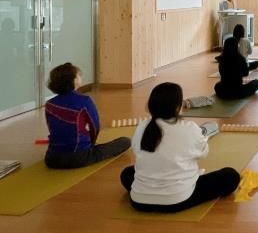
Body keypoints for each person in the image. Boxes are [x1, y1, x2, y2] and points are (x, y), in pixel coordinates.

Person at [120, 83, 240, 212]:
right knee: (230, 176)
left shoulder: (142, 126)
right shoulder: (189, 128)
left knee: (127, 173)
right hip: (176, 200)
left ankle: (149, 193)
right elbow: (203, 153)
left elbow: (138, 152)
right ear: (177, 107)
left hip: (139, 201)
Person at [43, 63, 131, 169]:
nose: (81, 77)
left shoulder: (49, 104)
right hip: (79, 158)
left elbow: (52, 128)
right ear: (73, 80)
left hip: (51, 159)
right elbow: (95, 127)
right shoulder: (84, 101)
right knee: (125, 141)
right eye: (78, 75)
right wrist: (91, 144)